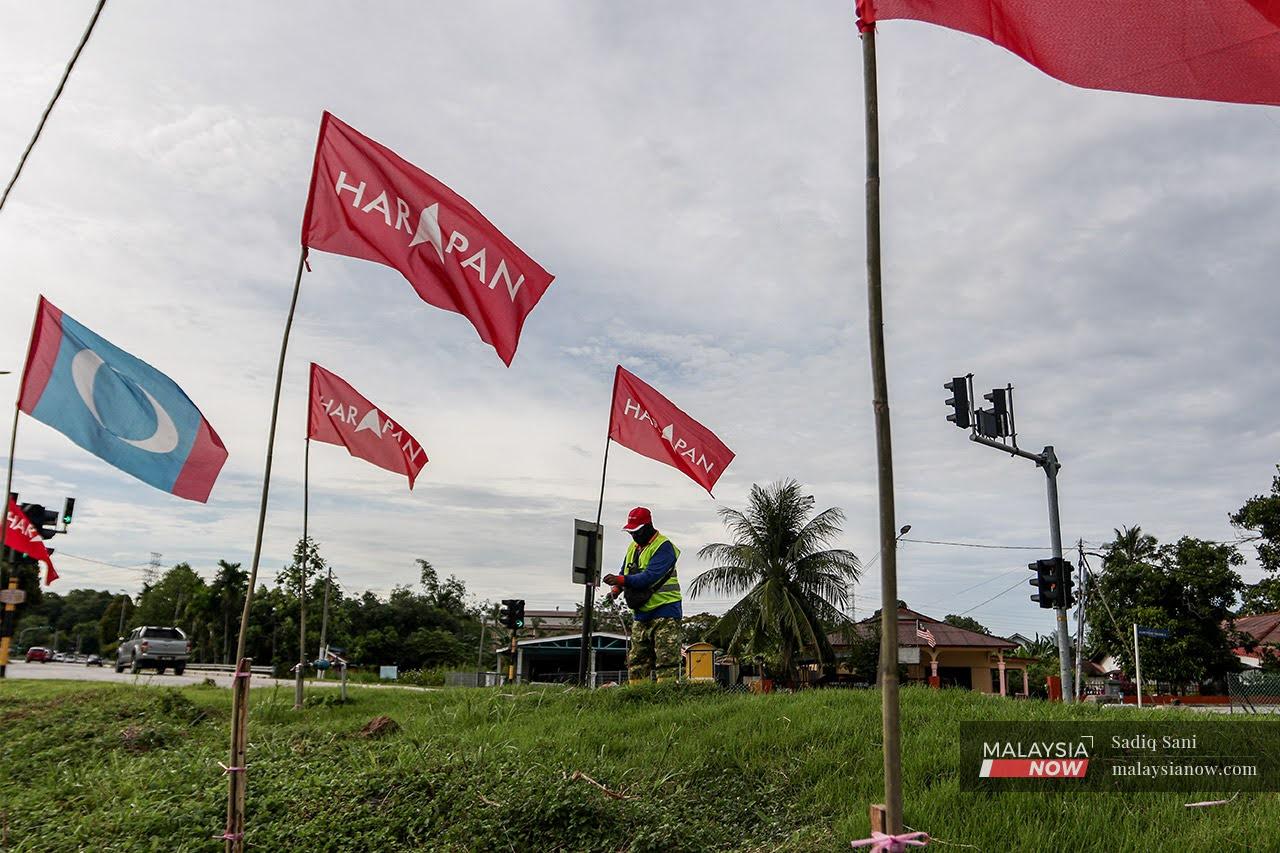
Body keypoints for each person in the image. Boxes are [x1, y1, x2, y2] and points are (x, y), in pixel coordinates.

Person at [603, 507, 683, 683]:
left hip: (666, 612)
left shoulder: (664, 547)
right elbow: (625, 570)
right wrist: (617, 589)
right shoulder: (633, 547)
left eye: (637, 531)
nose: (634, 536)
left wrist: (620, 580)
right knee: (638, 661)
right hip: (641, 613)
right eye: (630, 532)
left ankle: (666, 697)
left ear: (648, 526)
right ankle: (638, 695)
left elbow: (648, 577)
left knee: (666, 660)